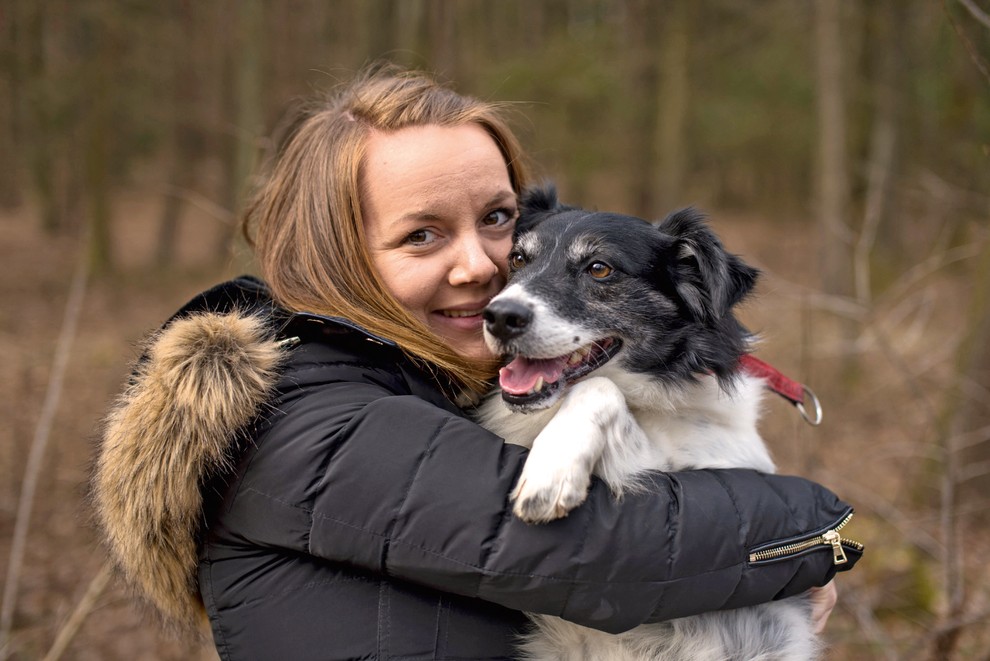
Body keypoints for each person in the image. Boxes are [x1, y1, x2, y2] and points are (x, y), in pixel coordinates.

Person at [92, 64, 859, 660]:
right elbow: (606, 553)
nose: (486, 268)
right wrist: (817, 534)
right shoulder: (300, 418)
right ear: (336, 256)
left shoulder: (429, 383)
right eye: (422, 235)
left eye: (496, 218)